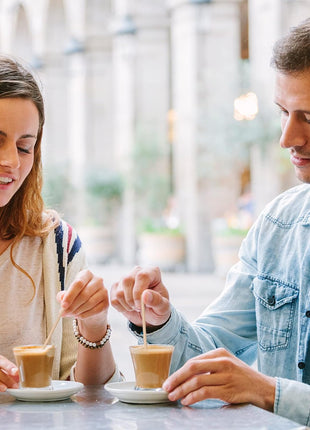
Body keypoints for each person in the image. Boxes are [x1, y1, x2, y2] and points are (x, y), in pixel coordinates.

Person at [111, 18, 310, 427]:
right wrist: (161, 320)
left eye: (309, 116)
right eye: (283, 113)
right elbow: (210, 359)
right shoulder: (276, 226)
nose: (287, 137)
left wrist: (270, 393)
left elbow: (256, 388)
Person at [0, 55, 121, 391]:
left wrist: (93, 324)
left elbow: (91, 393)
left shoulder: (58, 245)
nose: (11, 161)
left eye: (25, 147)